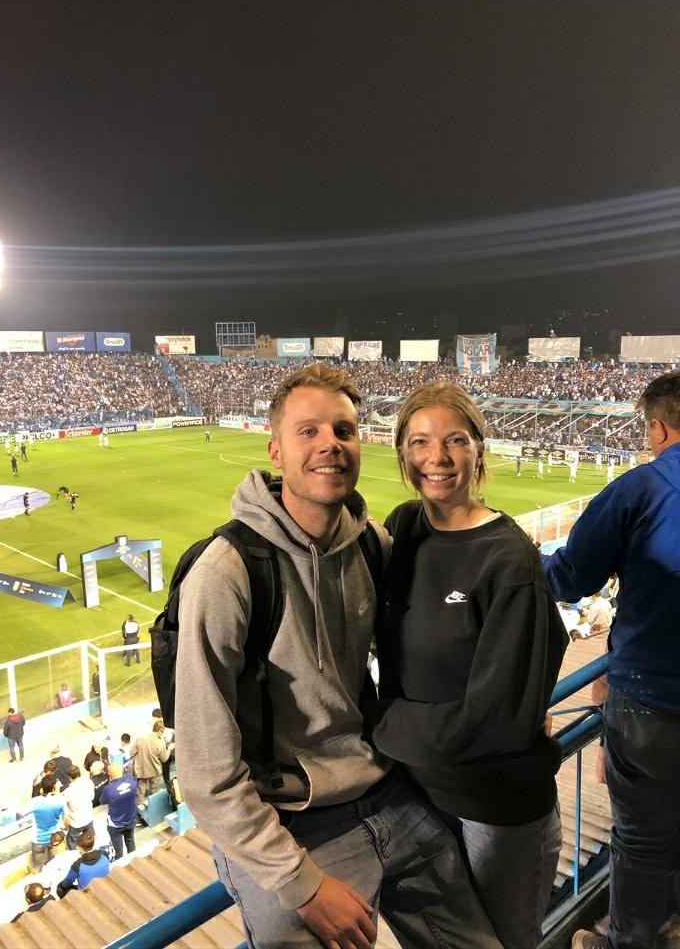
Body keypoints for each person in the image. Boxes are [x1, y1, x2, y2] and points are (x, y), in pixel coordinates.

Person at [175, 363, 502, 949]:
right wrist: (300, 884)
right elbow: (204, 774)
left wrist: (512, 704)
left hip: (388, 794)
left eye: (343, 431)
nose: (329, 444)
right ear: (275, 450)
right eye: (309, 432)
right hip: (292, 827)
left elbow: (440, 636)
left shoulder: (372, 547)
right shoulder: (226, 574)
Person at [365, 382, 568, 949]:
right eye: (421, 441)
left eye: (456, 440)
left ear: (479, 449)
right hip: (418, 802)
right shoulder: (404, 527)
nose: (439, 457)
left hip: (493, 812)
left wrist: (375, 722)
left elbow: (496, 719)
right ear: (402, 452)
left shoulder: (508, 558)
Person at [542, 371, 680, 949]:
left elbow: (570, 577)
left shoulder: (641, 489)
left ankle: (630, 940)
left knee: (643, 840)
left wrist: (501, 558)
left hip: (652, 697)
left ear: (657, 426)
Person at [23, 774, 67, 869]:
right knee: (53, 864)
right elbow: (65, 818)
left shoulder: (34, 802)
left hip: (38, 840)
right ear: (54, 788)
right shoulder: (60, 801)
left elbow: (20, 813)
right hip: (54, 839)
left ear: (42, 788)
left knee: (38, 866)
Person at [56, 830, 111, 897]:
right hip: (104, 886)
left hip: (87, 893)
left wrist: (62, 885)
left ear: (80, 849)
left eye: (77, 847)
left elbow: (67, 883)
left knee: (60, 888)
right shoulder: (104, 855)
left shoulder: (78, 865)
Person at [100, 763, 138, 860]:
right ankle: (134, 862)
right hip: (131, 819)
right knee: (130, 842)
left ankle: (120, 866)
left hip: (115, 824)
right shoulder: (132, 781)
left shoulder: (108, 789)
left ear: (110, 774)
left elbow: (102, 801)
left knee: (118, 850)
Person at [131, 721, 173, 805]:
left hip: (141, 771)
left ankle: (139, 812)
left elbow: (131, 752)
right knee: (154, 791)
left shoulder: (141, 738)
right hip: (154, 771)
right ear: (160, 731)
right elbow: (164, 759)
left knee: (140, 793)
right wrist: (169, 749)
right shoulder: (160, 743)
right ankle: (154, 809)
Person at [63, 765, 95, 850]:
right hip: (88, 818)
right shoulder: (89, 782)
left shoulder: (67, 792)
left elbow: (64, 808)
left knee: (72, 844)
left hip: (76, 822)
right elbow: (92, 797)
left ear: (69, 777)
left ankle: (73, 857)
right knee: (90, 841)